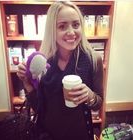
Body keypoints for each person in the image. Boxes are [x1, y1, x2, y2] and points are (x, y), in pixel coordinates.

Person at [17, 1, 103, 140]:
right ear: (52, 30)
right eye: (62, 26)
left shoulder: (93, 60)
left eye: (76, 25)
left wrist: (89, 95)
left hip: (79, 134)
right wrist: (27, 84)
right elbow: (39, 107)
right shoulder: (42, 61)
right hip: (46, 134)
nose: (71, 32)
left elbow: (98, 104)